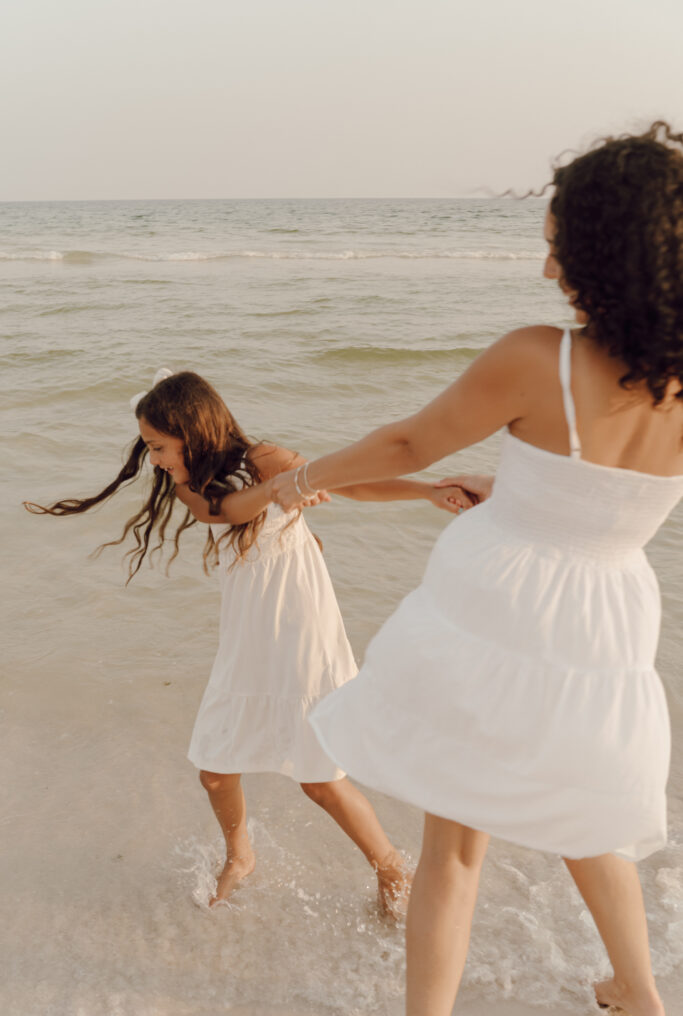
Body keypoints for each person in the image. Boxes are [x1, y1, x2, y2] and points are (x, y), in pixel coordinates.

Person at [269, 121, 683, 1016]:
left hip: (501, 607)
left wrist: (297, 482)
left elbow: (408, 442)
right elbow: (612, 491)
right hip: (609, 617)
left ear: (608, 253)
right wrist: (533, 490)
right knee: (587, 815)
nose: (546, 272)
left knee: (455, 844)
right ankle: (640, 995)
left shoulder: (540, 355)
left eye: (557, 249)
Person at [25, 370, 472, 911]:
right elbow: (227, 511)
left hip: (301, 619)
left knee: (318, 779)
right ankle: (241, 854)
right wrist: (286, 490)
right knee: (215, 771)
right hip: (247, 625)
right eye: (149, 447)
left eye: (158, 446)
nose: (154, 459)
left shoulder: (271, 458)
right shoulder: (193, 483)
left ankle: (391, 868)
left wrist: (427, 490)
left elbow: (353, 483)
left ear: (191, 430)